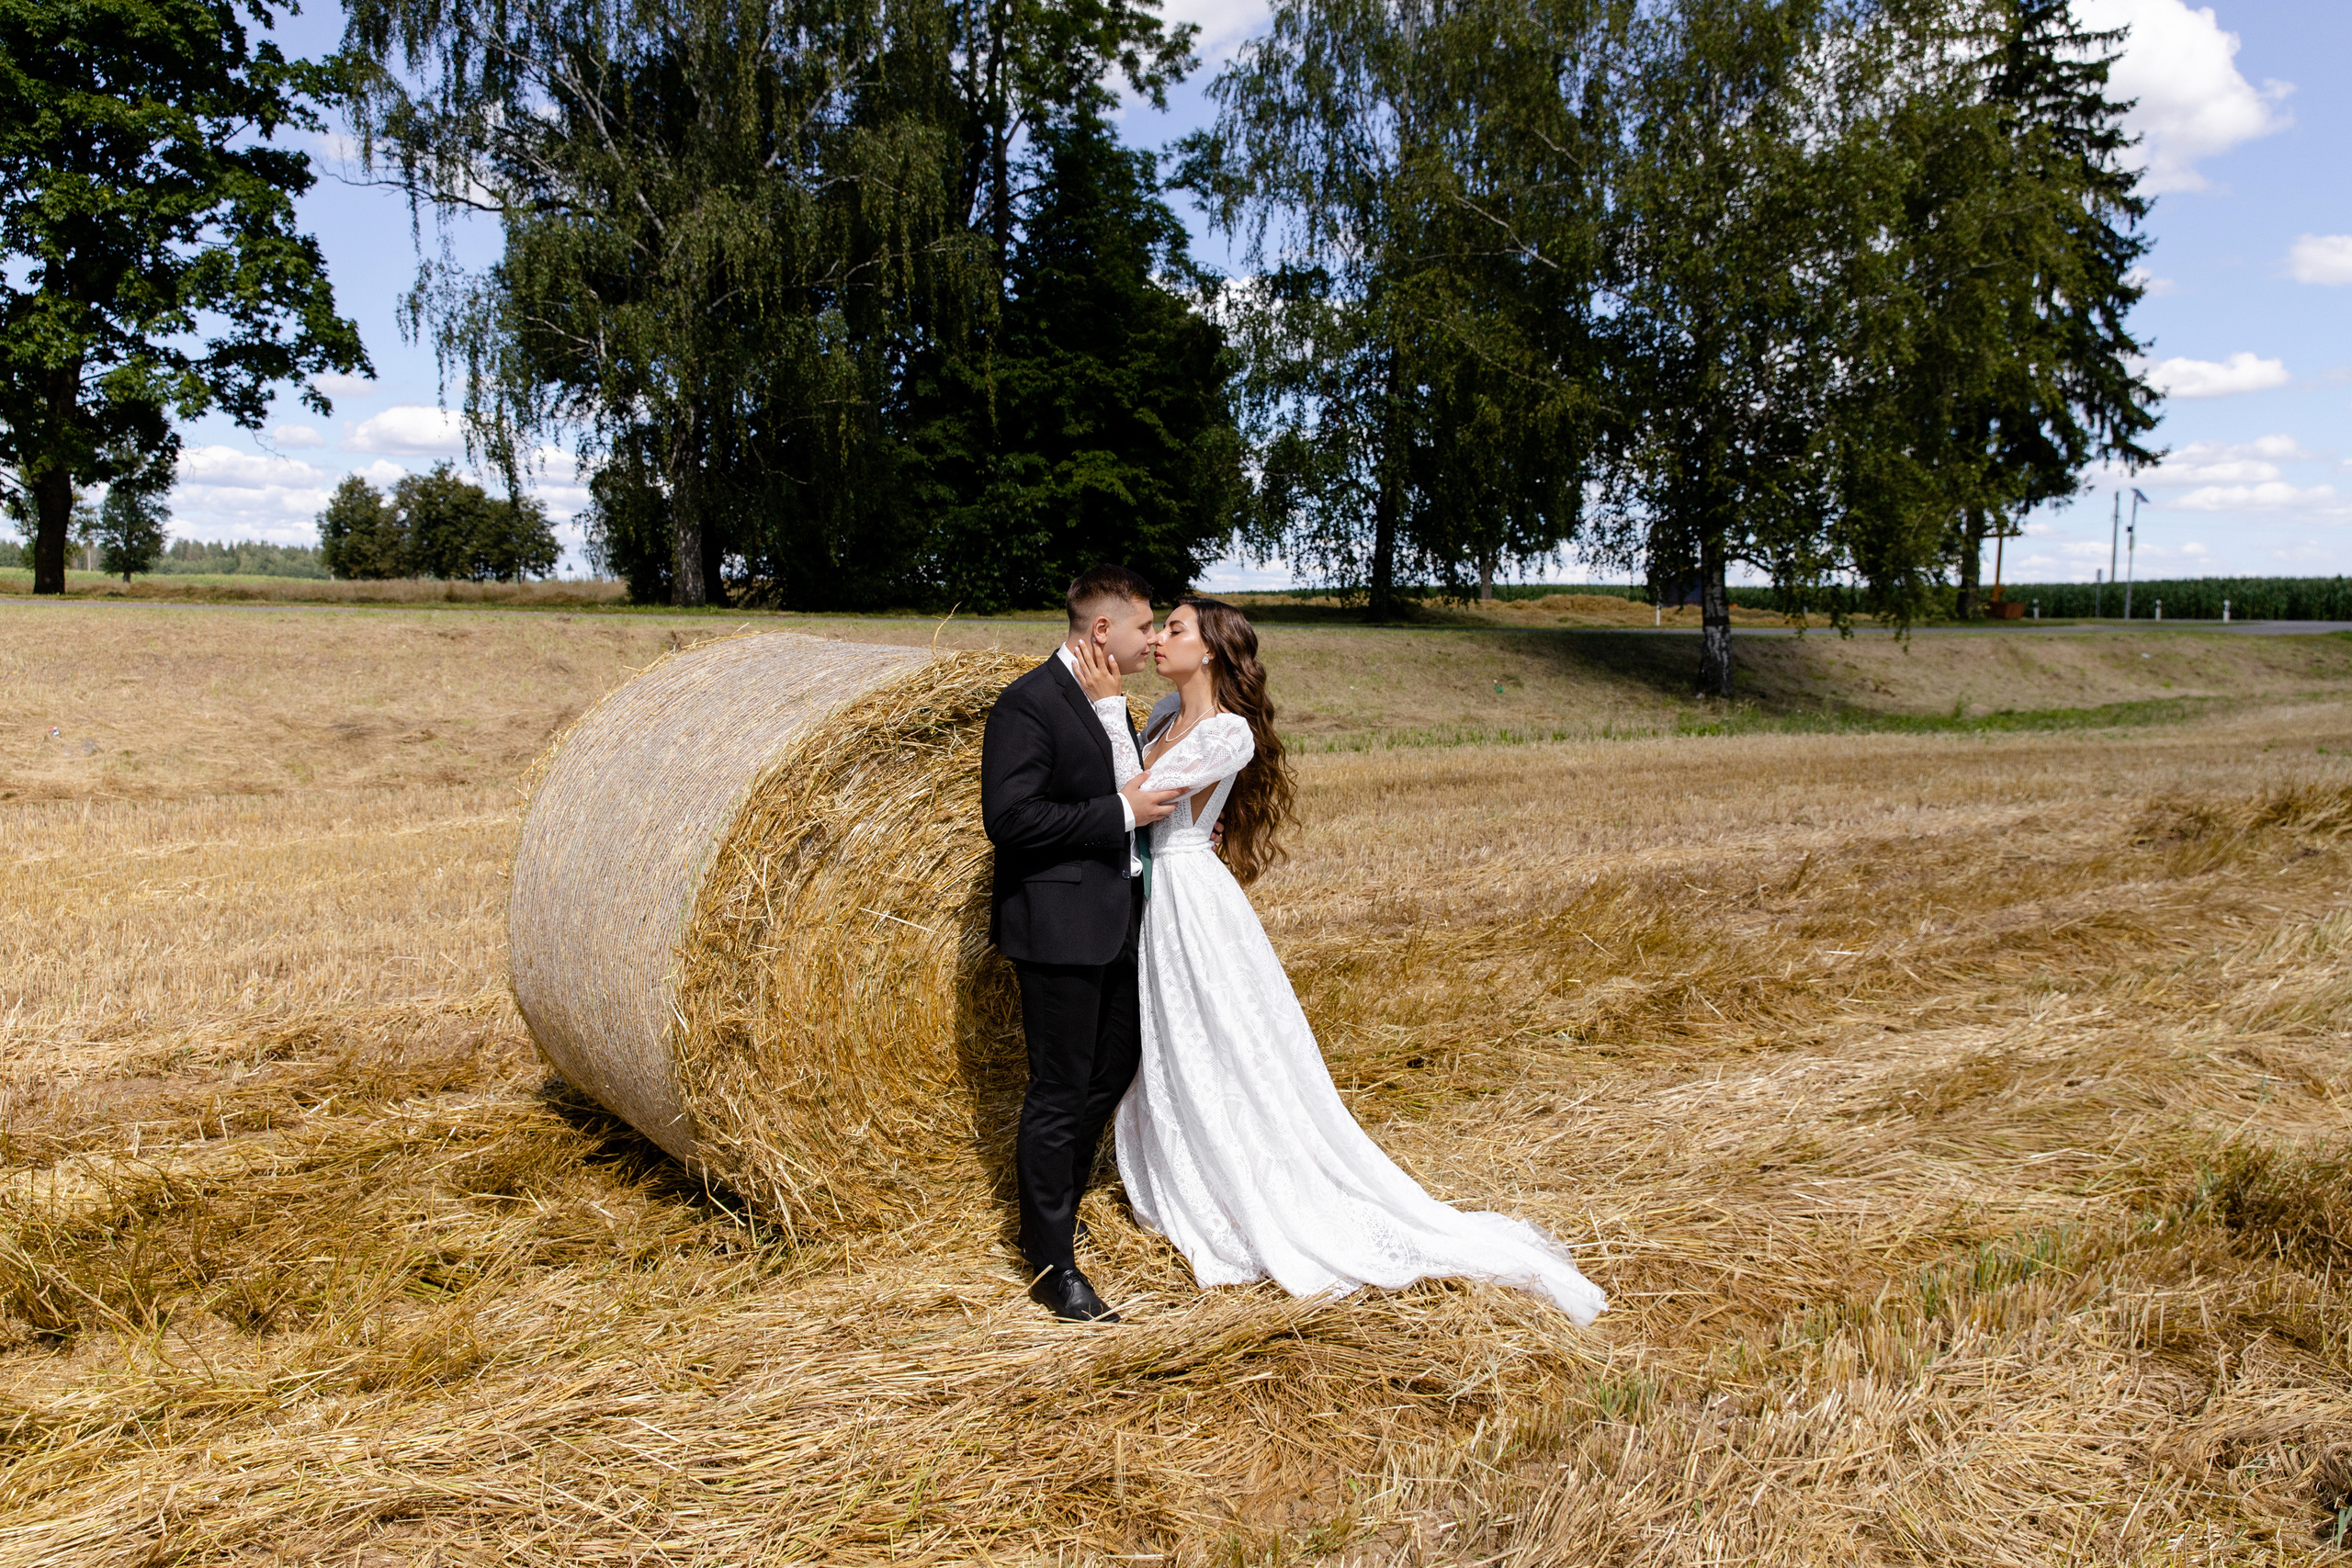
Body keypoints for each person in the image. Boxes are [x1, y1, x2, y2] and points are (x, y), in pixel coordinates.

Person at [1070, 596, 1607, 1326]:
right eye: (1160, 627)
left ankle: (1248, 1187)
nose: (1159, 636)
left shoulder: (1228, 732)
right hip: (1155, 892)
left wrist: (1108, 709)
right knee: (1170, 1044)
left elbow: (1135, 794)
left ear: (1213, 650)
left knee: (1220, 1043)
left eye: (1175, 628)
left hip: (1190, 900)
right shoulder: (1164, 712)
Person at [979, 565, 1182, 1323]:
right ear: (1102, 629)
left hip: (1118, 922)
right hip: (1059, 930)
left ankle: (1052, 1204)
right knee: (1059, 1088)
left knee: (1115, 1064)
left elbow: (1127, 790)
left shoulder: (1109, 700)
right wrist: (1118, 812)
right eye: (1144, 625)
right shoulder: (1028, 703)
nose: (1152, 638)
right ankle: (1051, 1263)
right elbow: (1010, 819)